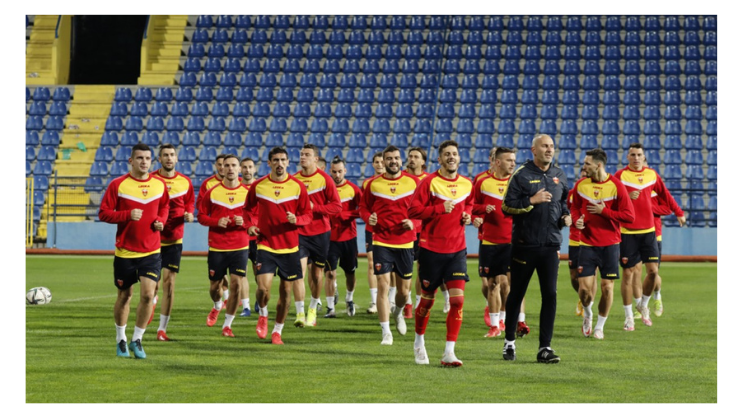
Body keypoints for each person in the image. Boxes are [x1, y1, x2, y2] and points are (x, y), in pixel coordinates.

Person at [501, 134, 571, 363]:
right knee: (517, 293)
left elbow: (563, 202)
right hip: (525, 245)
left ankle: (545, 348)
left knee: (550, 295)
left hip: (551, 245)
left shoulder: (559, 175)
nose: (549, 150)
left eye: (551, 146)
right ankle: (509, 341)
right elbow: (506, 207)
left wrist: (566, 216)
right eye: (544, 146)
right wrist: (531, 201)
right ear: (534, 150)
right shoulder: (521, 174)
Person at [99, 142, 170, 359]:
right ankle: (121, 338)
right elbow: (103, 213)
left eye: (147, 158)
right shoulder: (118, 185)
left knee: (148, 295)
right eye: (139, 158)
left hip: (151, 251)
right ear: (131, 161)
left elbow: (165, 206)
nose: (144, 162)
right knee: (125, 296)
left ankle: (137, 339)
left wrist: (161, 220)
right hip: (125, 252)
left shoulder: (159, 185)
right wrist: (126, 215)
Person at [408, 140, 474, 366]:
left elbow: (470, 204)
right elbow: (413, 210)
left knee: (457, 301)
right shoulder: (429, 182)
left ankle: (449, 352)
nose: (451, 157)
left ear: (459, 158)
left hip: (457, 250)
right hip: (431, 250)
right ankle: (419, 342)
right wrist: (439, 208)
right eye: (447, 154)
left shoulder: (467, 183)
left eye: (454, 153)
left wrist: (467, 214)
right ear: (439, 159)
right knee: (427, 302)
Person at [243, 147, 312, 344]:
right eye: (276, 160)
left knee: (286, 292)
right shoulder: (259, 186)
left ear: (288, 163)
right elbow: (247, 209)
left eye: (283, 160)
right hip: (265, 244)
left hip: (290, 248)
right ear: (269, 163)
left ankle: (277, 331)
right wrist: (250, 226)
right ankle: (263, 314)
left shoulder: (298, 186)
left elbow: (307, 215)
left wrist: (297, 220)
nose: (279, 163)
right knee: (263, 289)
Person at [615, 144, 686, 330]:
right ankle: (628, 317)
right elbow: (610, 199)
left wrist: (679, 212)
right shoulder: (620, 176)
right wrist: (626, 195)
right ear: (627, 157)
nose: (636, 158)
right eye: (632, 155)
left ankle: (644, 305)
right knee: (628, 274)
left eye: (639, 155)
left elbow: (666, 195)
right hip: (628, 232)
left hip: (649, 232)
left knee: (653, 272)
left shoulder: (652, 175)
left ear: (644, 157)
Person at [571, 149, 635, 340]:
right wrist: (576, 219)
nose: (584, 166)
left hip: (610, 245)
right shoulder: (581, 185)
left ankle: (599, 327)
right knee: (584, 290)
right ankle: (588, 313)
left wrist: (604, 211)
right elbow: (574, 207)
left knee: (607, 288)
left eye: (587, 163)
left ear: (598, 165)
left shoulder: (616, 186)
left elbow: (629, 216)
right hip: (587, 244)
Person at [359, 145, 420, 345]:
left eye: (396, 158)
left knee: (404, 292)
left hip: (405, 242)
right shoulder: (373, 184)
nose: (393, 161)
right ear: (383, 161)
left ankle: (398, 312)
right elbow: (363, 208)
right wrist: (368, 218)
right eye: (389, 158)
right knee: (383, 285)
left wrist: (414, 223)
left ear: (401, 161)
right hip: (381, 241)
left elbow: (423, 210)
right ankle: (386, 332)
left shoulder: (413, 183)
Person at [473, 147, 529, 333]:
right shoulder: (482, 182)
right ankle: (495, 325)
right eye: (509, 160)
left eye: (514, 160)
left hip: (514, 242)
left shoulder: (520, 183)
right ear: (497, 162)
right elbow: (471, 206)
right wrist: (479, 213)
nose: (513, 163)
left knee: (512, 284)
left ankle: (514, 321)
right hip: (490, 241)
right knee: (492, 284)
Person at [197, 155, 250, 337]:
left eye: (234, 165)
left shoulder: (248, 193)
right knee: (215, 287)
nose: (230, 168)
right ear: (221, 168)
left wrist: (245, 222)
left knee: (236, 285)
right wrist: (216, 221)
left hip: (240, 246)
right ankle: (217, 305)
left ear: (239, 169)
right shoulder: (212, 192)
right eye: (226, 165)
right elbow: (201, 216)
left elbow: (258, 217)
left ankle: (227, 325)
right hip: (217, 247)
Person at [149, 144, 195, 341]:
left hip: (175, 239)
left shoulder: (185, 182)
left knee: (169, 284)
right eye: (165, 155)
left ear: (176, 158)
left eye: (172, 155)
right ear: (159, 159)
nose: (169, 158)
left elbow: (190, 202)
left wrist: (190, 213)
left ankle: (162, 329)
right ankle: (151, 300)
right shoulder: (151, 180)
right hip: (153, 240)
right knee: (153, 285)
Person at [293, 144, 342, 327]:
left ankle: (313, 308)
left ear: (315, 159)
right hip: (299, 231)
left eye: (307, 154)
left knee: (316, 274)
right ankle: (300, 313)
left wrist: (316, 208)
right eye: (301, 154)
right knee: (299, 272)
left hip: (320, 232)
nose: (303, 157)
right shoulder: (294, 180)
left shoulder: (325, 179)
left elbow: (336, 206)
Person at [406, 147, 449, 318]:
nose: (412, 159)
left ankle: (423, 302)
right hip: (404, 229)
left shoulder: (430, 180)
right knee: (403, 270)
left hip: (423, 230)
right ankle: (407, 303)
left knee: (423, 269)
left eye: (416, 157)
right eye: (410, 156)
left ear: (423, 161)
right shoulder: (401, 178)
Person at [324, 156, 362, 317]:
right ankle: (330, 308)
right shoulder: (325, 189)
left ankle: (349, 299)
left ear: (345, 171)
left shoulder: (353, 189)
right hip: (329, 238)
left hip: (349, 238)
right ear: (330, 171)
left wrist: (348, 214)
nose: (337, 175)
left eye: (340, 171)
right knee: (330, 273)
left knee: (350, 273)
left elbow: (364, 210)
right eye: (334, 172)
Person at [197, 154, 232, 310]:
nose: (223, 167)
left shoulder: (238, 184)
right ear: (216, 166)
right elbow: (201, 207)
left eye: (226, 164)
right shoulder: (209, 184)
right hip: (217, 235)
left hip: (237, 237)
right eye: (220, 164)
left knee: (236, 275)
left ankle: (230, 299)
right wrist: (216, 219)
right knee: (219, 275)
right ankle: (222, 300)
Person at [362, 152, 385, 314]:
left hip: (389, 230)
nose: (380, 164)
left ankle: (390, 300)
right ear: (373, 164)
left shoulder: (395, 182)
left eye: (382, 162)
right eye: (376, 162)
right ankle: (374, 301)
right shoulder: (367, 184)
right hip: (372, 229)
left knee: (391, 268)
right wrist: (368, 217)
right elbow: (364, 206)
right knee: (371, 263)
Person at [567, 168, 588, 318]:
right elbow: (566, 210)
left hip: (590, 240)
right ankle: (582, 297)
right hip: (574, 239)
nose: (584, 178)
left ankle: (587, 305)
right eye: (582, 175)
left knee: (589, 276)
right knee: (574, 276)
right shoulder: (572, 194)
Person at [239, 157, 258, 317]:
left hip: (258, 237)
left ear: (255, 169)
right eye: (244, 167)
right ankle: (246, 307)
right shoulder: (235, 187)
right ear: (240, 169)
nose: (247, 170)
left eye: (250, 167)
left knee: (260, 274)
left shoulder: (261, 187)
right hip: (241, 237)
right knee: (241, 273)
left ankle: (259, 299)